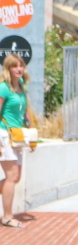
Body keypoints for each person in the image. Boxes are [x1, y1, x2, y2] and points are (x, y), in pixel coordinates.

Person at [0, 53, 38, 229]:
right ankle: (7, 217)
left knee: (15, 178)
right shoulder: (3, 88)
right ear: (8, 69)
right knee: (11, 176)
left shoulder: (22, 86)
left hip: (18, 135)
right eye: (15, 66)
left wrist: (31, 134)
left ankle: (8, 215)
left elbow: (25, 111)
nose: (19, 68)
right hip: (5, 134)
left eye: (21, 65)